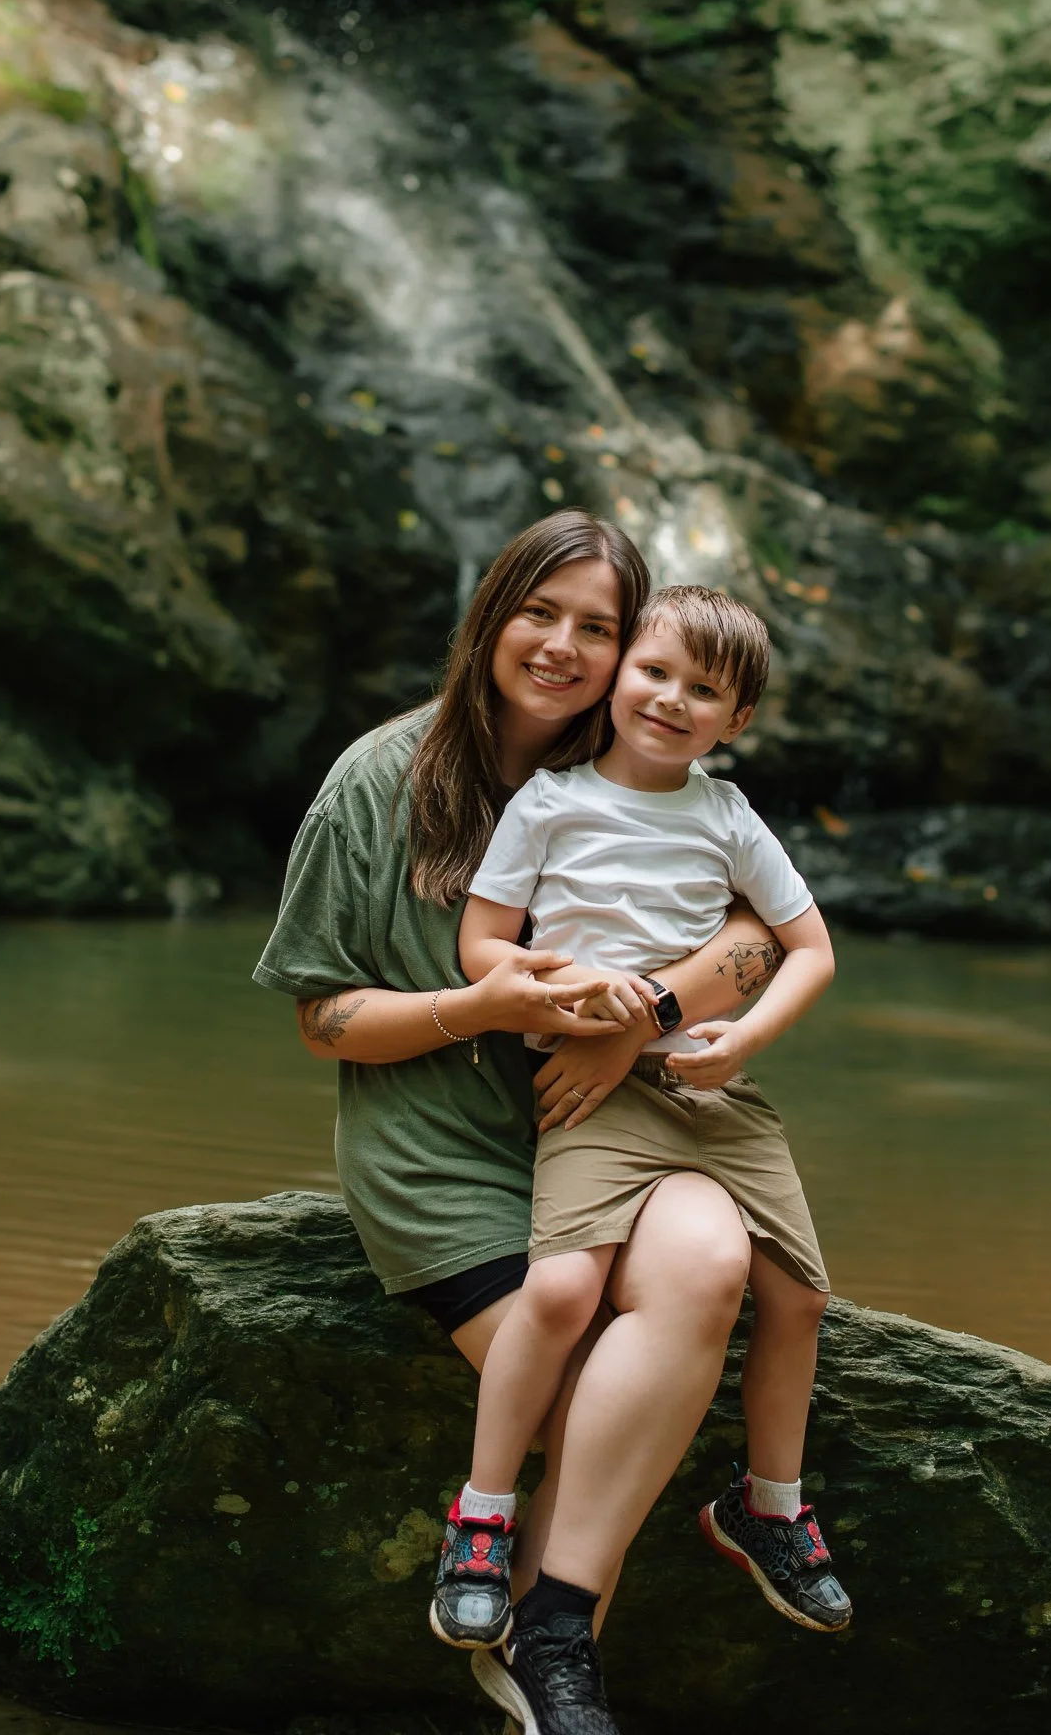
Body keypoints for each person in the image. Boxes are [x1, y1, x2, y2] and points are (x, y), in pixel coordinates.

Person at [253, 512, 793, 1735]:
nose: (561, 646)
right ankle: (555, 1662)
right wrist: (474, 1003)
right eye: (537, 612)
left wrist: (637, 1017)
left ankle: (545, 1622)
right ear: (488, 613)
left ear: (635, 649)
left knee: (711, 1267)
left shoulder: (656, 755)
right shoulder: (378, 779)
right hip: (443, 1148)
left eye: (597, 628)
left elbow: (759, 937)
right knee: (579, 1405)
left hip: (618, 1118)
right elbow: (321, 1018)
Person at [431, 585, 850, 1729]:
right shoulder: (547, 801)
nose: (669, 699)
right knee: (562, 1284)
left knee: (800, 1293)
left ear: (738, 717)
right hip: (589, 1087)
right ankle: (481, 1512)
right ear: (619, 676)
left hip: (706, 1083)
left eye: (702, 689)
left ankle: (768, 1503)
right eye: (654, 671)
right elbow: (483, 945)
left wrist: (742, 1036)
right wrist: (569, 992)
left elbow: (804, 945)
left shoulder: (722, 813)